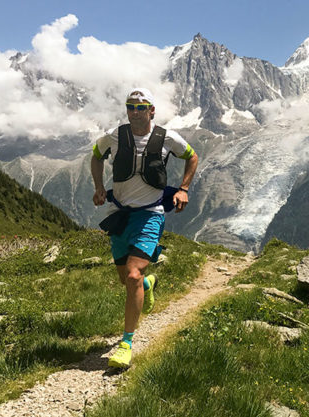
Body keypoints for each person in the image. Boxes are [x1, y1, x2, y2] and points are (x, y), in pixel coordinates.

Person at [90, 87, 198, 368]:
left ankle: (126, 344)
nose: (135, 111)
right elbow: (96, 155)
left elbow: (192, 156)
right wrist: (99, 187)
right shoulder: (115, 136)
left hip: (150, 214)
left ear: (152, 110)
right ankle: (149, 285)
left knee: (133, 274)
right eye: (130, 107)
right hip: (119, 213)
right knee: (125, 280)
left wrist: (183, 188)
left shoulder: (167, 138)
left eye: (141, 107)